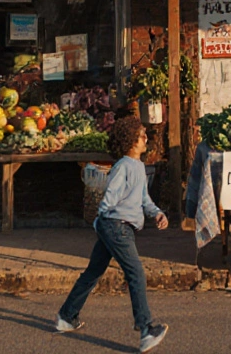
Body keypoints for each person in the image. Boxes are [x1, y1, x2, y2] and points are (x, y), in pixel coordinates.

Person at [55, 116, 169, 353]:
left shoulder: (137, 165)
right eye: (141, 135)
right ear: (130, 141)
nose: (146, 138)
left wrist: (157, 213)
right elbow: (109, 199)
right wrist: (101, 221)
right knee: (136, 273)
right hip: (116, 226)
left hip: (117, 226)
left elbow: (143, 199)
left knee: (94, 271)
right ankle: (146, 328)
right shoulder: (123, 166)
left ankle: (67, 316)